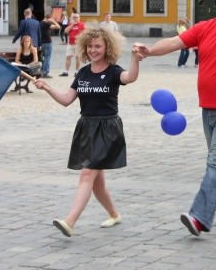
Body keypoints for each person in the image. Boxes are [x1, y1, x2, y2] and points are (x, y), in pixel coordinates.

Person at [133, 0, 216, 236]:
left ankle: (199, 217)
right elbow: (175, 42)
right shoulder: (205, 27)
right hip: (209, 107)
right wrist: (150, 51)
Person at [34, 26, 141, 237]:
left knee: (87, 174)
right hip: (86, 127)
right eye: (90, 46)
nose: (93, 50)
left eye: (98, 46)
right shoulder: (82, 72)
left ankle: (69, 221)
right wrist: (47, 88)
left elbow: (130, 77)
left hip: (107, 129)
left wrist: (135, 59)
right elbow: (66, 100)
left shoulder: (113, 71)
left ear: (107, 47)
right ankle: (114, 213)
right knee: (96, 180)